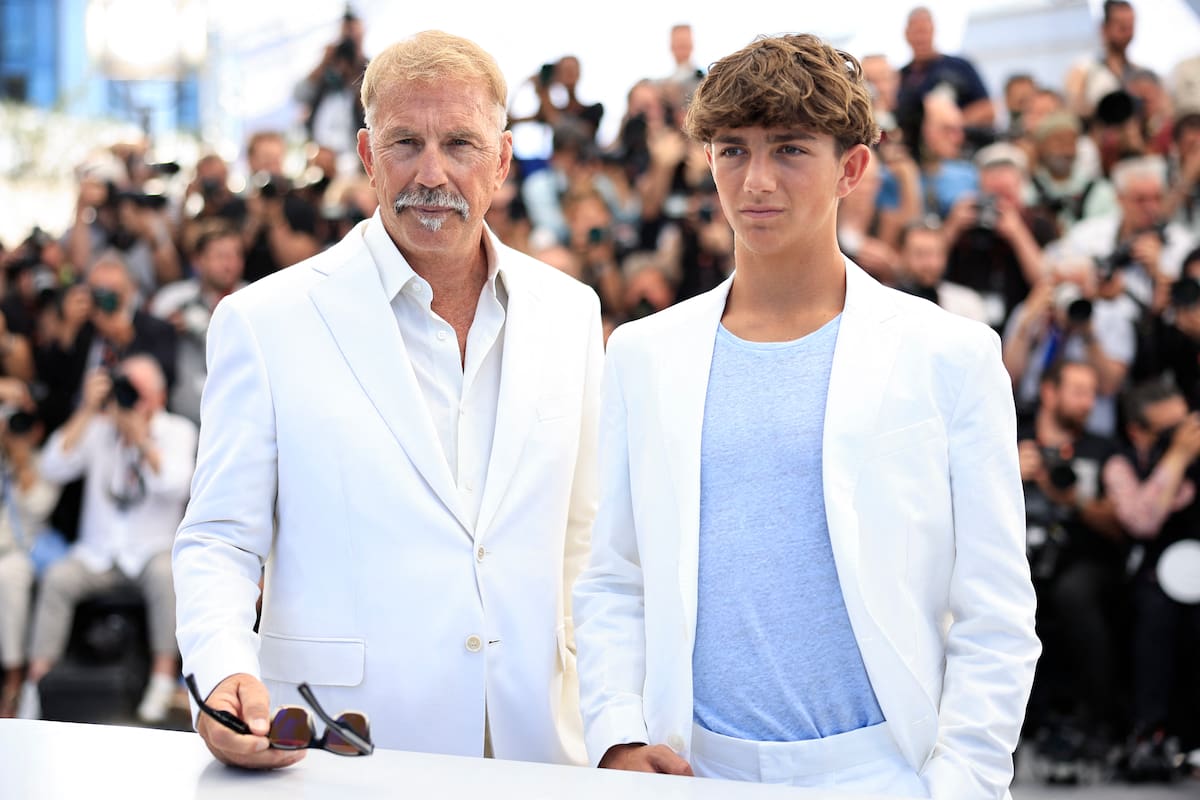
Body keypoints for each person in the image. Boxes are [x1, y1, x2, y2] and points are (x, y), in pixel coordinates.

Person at [573, 33, 1040, 798]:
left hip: (885, 771)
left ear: (851, 168)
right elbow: (615, 576)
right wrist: (618, 737)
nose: (756, 180)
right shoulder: (644, 353)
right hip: (689, 764)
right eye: (732, 150)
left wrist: (962, 783)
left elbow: (995, 608)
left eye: (790, 149)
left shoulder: (949, 354)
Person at [173, 30, 603, 769]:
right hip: (338, 745)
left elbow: (588, 542)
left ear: (501, 161)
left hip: (542, 748)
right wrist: (220, 674)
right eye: (406, 143)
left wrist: (617, 720)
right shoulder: (266, 320)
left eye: (461, 143)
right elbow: (218, 540)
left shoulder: (571, 311)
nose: (431, 173)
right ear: (369, 158)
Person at [17, 356, 197, 724]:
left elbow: (176, 484)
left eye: (137, 393)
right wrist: (86, 410)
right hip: (97, 554)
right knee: (58, 578)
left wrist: (141, 440)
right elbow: (53, 466)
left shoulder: (177, 430)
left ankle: (163, 679)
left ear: (159, 396)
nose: (128, 399)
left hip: (151, 552)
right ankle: (37, 685)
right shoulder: (99, 428)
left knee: (167, 575)